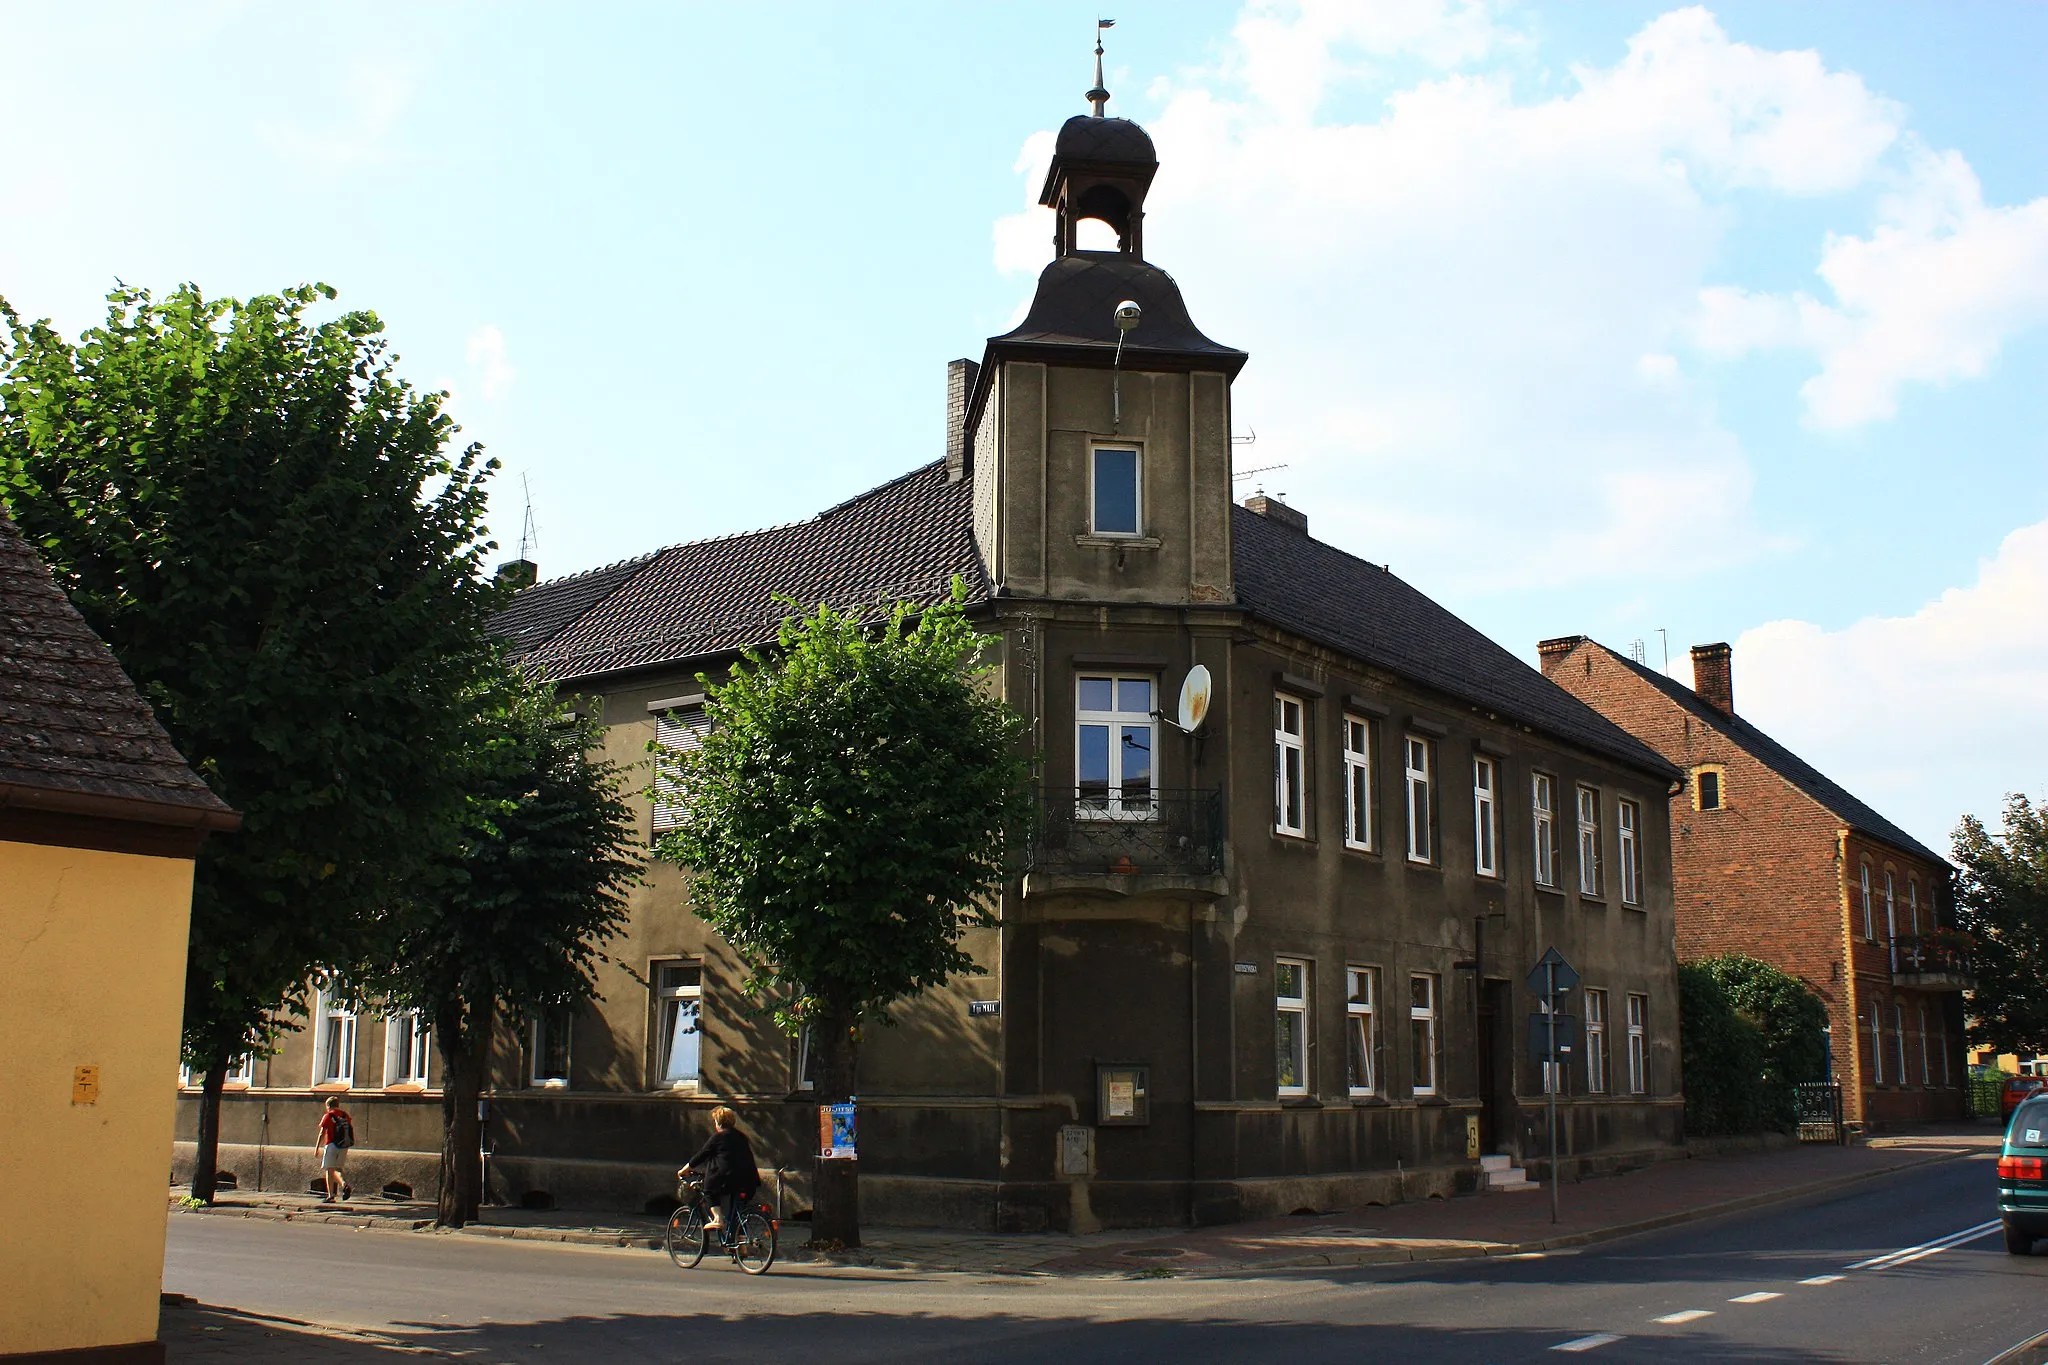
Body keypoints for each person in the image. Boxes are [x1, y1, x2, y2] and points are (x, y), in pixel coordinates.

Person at [678, 1106, 760, 1240]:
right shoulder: (741, 1136)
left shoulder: (719, 1137)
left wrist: (684, 1170)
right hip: (749, 1179)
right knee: (738, 1212)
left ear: (718, 1122)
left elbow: (701, 1155)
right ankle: (740, 1245)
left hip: (728, 1178)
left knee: (709, 1191)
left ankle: (717, 1219)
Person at [314, 1095, 354, 1202]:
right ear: (338, 1105)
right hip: (343, 1145)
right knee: (338, 1168)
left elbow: (322, 1132)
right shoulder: (345, 1115)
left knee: (329, 1169)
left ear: (328, 1106)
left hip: (331, 1145)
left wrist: (317, 1147)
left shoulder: (328, 1116)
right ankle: (344, 1184)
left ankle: (331, 1196)